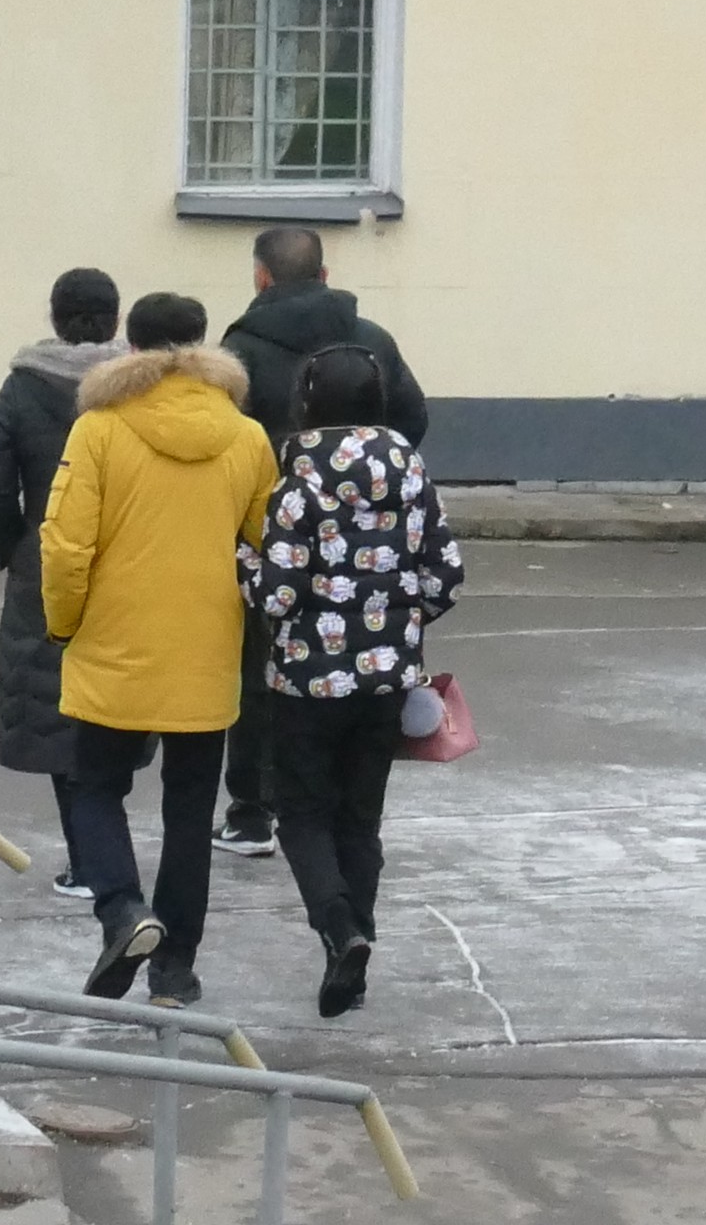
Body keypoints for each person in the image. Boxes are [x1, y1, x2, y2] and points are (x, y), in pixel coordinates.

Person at [34, 290, 275, 1007]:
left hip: (114, 638)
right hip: (205, 647)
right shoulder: (246, 436)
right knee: (191, 811)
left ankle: (122, 910)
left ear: (129, 349)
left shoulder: (100, 430)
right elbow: (267, 541)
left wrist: (65, 623)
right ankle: (176, 970)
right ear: (204, 347)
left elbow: (66, 544)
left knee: (94, 784)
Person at [241, 337, 462, 1017]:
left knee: (302, 813)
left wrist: (240, 563)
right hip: (388, 679)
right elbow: (444, 575)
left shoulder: (296, 479)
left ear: (305, 402)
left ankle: (339, 931)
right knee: (360, 821)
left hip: (307, 681)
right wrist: (394, 619)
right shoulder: (410, 470)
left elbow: (275, 595)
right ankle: (356, 953)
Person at [217, 226, 424, 851]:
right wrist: (374, 488)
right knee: (355, 655)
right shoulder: (371, 339)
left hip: (273, 523)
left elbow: (228, 434)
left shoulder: (240, 347)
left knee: (262, 664)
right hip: (368, 536)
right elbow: (413, 417)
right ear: (326, 275)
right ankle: (335, 806)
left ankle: (253, 810)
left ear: (261, 277)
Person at [0, 267, 124, 883]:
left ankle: (87, 860)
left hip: (47, 553)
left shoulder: (24, 384)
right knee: (118, 696)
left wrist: (15, 545)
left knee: (56, 702)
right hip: (123, 553)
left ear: (55, 318)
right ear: (115, 319)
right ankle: (114, 852)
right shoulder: (133, 385)